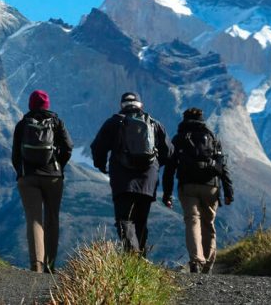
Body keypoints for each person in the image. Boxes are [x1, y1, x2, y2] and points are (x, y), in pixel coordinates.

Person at [90, 92, 171, 256]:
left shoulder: (113, 123)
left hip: (122, 178)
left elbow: (97, 147)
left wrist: (101, 165)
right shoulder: (154, 124)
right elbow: (168, 151)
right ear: (140, 105)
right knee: (141, 220)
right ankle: (140, 257)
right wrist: (155, 166)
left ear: (122, 105)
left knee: (124, 219)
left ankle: (132, 254)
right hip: (148, 180)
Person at [162, 107, 234, 274]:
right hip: (211, 186)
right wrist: (229, 192)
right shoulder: (213, 138)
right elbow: (223, 167)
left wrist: (167, 194)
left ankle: (196, 260)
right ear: (203, 119)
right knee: (208, 223)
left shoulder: (179, 139)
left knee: (192, 221)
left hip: (187, 186)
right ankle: (207, 264)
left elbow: (170, 169)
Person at [11, 89, 73, 273]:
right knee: (52, 218)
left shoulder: (22, 125)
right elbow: (68, 147)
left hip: (28, 177)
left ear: (30, 105)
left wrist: (22, 172)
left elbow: (15, 154)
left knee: (34, 219)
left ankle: (36, 265)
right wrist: (58, 166)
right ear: (47, 105)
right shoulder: (56, 122)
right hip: (53, 176)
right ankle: (51, 265)